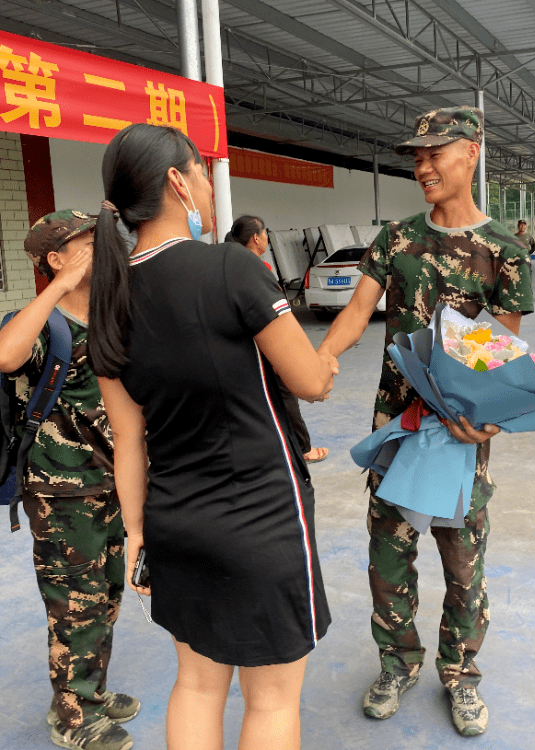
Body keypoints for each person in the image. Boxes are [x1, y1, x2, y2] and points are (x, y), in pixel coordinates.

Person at [87, 123, 334, 750]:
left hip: (175, 522)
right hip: (261, 520)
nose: (208, 187)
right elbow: (309, 382)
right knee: (272, 701)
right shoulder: (230, 267)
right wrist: (327, 359)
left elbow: (127, 439)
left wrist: (139, 534)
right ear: (178, 181)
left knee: (196, 686)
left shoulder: (109, 299)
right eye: (201, 173)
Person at [317, 106, 534, 737]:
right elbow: (358, 312)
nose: (424, 165)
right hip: (398, 429)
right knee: (388, 557)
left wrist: (488, 420)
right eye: (416, 155)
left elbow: (503, 349)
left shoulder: (505, 252)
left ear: (471, 152)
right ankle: (397, 663)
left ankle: (461, 677)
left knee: (463, 564)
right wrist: (320, 358)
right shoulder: (396, 238)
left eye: (436, 152)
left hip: (460, 436)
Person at [0, 211, 139, 750]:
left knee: (105, 596)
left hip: (109, 484)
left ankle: (92, 691)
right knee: (73, 603)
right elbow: (6, 355)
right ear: (57, 258)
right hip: (61, 491)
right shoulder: (46, 322)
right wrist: (57, 286)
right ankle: (72, 715)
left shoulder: (109, 318)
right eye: (87, 245)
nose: (101, 251)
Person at [225, 215, 329, 464]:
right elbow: (277, 313)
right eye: (265, 234)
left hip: (238, 345)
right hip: (266, 344)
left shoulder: (225, 266)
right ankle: (303, 448)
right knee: (285, 393)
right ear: (256, 238)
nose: (267, 239)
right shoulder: (260, 269)